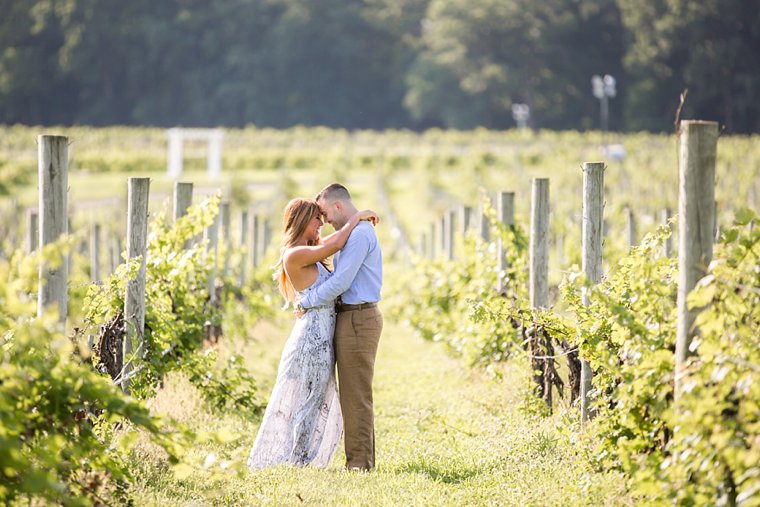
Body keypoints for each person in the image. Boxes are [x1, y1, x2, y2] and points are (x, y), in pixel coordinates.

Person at [247, 198, 377, 469]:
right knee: (307, 399)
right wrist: (358, 216)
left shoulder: (309, 250)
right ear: (303, 221)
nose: (321, 223)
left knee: (314, 397)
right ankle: (296, 460)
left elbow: (333, 246)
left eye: (322, 217)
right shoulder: (293, 254)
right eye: (317, 218)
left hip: (321, 336)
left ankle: (300, 457)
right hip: (311, 340)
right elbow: (336, 243)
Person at [295, 183, 383, 472]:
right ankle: (363, 460)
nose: (325, 221)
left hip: (358, 318)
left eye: (324, 213)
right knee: (354, 393)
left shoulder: (359, 236)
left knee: (355, 395)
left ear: (339, 207)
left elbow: (341, 282)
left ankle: (359, 465)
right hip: (351, 317)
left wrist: (307, 301)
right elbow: (327, 246)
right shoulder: (352, 232)